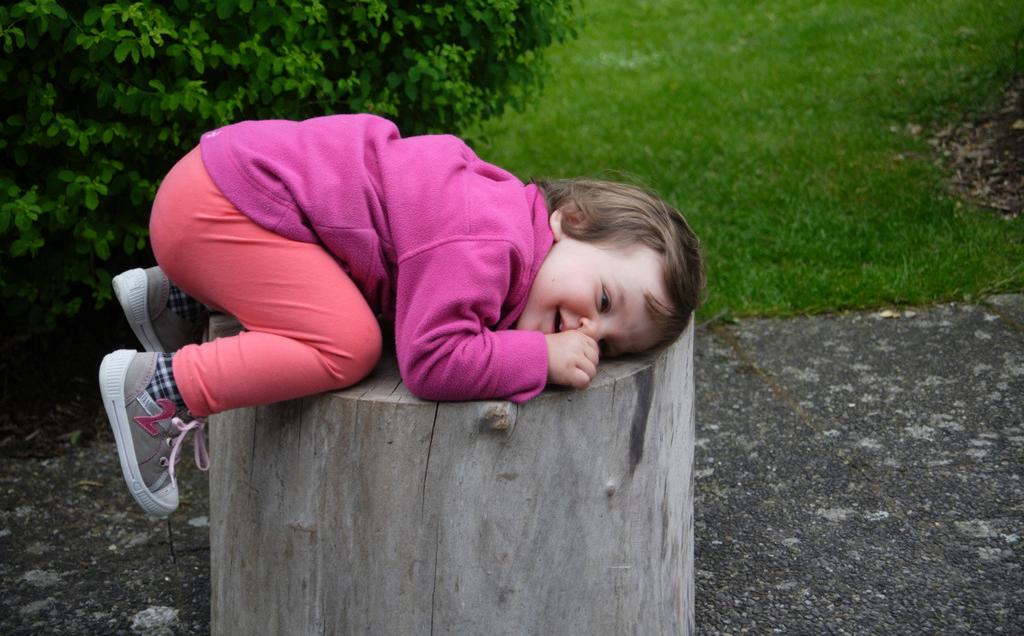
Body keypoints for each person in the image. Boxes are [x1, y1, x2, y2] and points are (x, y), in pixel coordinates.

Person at [99, 114, 705, 517]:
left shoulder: (512, 230)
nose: (590, 332)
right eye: (604, 301)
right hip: (218, 212)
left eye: (613, 344)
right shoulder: (486, 243)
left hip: (221, 198)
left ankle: (176, 303)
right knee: (348, 345)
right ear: (570, 220)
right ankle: (160, 391)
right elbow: (432, 361)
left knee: (347, 299)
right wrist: (539, 358)